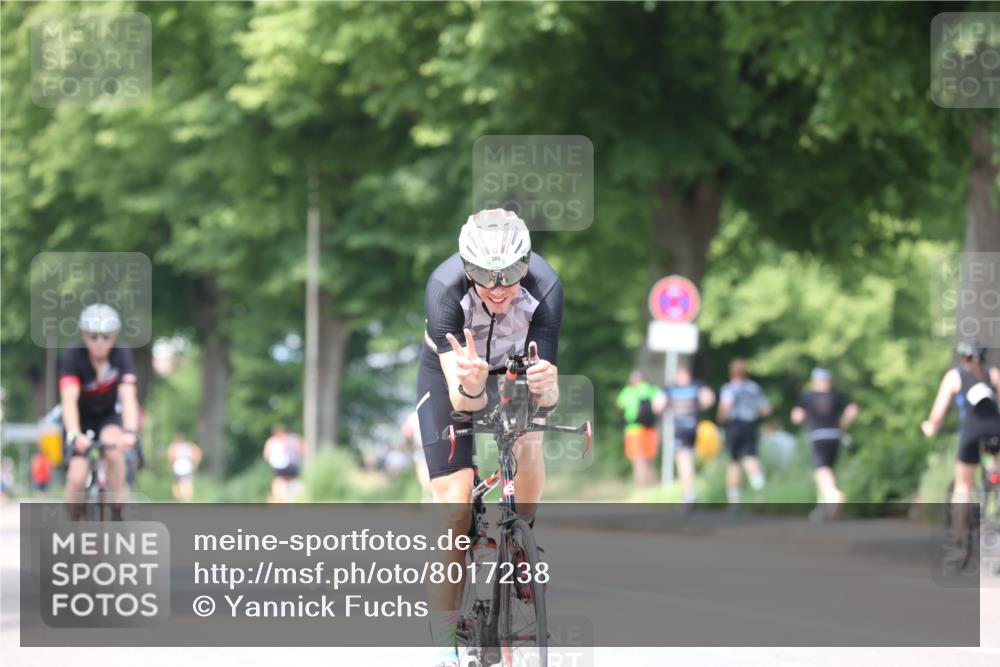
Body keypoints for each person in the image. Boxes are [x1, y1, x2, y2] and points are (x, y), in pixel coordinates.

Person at [416, 209, 562, 667]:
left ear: (527, 264)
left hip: (515, 367)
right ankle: (444, 641)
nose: (498, 289)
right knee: (456, 505)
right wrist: (476, 382)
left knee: (530, 439)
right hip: (456, 379)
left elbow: (547, 391)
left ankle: (521, 542)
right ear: (465, 268)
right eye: (484, 276)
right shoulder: (443, 292)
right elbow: (465, 405)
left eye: (511, 275)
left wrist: (548, 387)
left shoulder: (546, 288)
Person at [59, 304, 140, 521]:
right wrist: (74, 433)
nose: (100, 342)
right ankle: (73, 525)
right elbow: (69, 400)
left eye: (106, 336)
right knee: (77, 478)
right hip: (80, 420)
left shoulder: (121, 355)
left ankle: (119, 509)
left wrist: (131, 432)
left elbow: (128, 397)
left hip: (108, 417)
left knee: (114, 450)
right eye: (93, 336)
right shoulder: (73, 356)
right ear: (85, 335)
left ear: (114, 336)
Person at [921, 339, 1000, 552]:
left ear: (964, 356)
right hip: (996, 431)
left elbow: (937, 414)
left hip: (971, 432)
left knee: (963, 485)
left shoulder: (954, 376)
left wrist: (931, 427)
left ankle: (958, 536)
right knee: (996, 469)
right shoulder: (994, 374)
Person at [791, 368, 858, 521]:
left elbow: (796, 417)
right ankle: (822, 509)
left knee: (821, 470)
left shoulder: (807, 397)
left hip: (817, 435)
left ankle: (832, 495)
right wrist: (843, 424)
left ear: (814, 380)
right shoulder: (837, 395)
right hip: (835, 435)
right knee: (828, 471)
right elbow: (853, 410)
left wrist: (803, 421)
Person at [655, 364, 715, 510]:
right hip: (693, 427)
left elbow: (657, 406)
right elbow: (709, 399)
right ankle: (690, 492)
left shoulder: (671, 388)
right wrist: (699, 406)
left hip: (680, 429)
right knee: (689, 460)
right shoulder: (696, 386)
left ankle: (689, 494)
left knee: (683, 461)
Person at [717, 358, 772, 506]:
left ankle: (734, 501)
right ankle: (760, 492)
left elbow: (726, 408)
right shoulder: (754, 388)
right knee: (751, 458)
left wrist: (721, 417)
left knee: (734, 462)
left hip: (735, 425)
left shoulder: (729, 388)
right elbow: (765, 410)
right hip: (751, 425)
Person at [616, 370, 663, 487]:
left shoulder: (628, 391)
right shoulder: (652, 389)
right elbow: (661, 403)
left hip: (633, 430)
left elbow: (619, 404)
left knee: (637, 460)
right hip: (650, 429)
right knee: (649, 459)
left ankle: (641, 487)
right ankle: (653, 487)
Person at [263, 424, 303, 503]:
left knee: (280, 481)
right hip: (288, 464)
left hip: (278, 465)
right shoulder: (290, 439)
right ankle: (285, 499)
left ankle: (281, 499)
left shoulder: (271, 441)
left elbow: (266, 455)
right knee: (287, 481)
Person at [401, 410, 432, 498]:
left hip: (421, 449)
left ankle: (427, 497)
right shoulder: (427, 411)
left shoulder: (412, 416)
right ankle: (428, 497)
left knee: (424, 477)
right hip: (426, 448)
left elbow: (406, 432)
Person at [167, 433, 202, 502]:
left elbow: (171, 456)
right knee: (187, 483)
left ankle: (180, 499)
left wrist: (170, 465)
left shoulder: (174, 446)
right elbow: (197, 453)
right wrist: (195, 464)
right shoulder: (189, 446)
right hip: (187, 467)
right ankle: (187, 499)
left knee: (178, 483)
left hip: (177, 467)